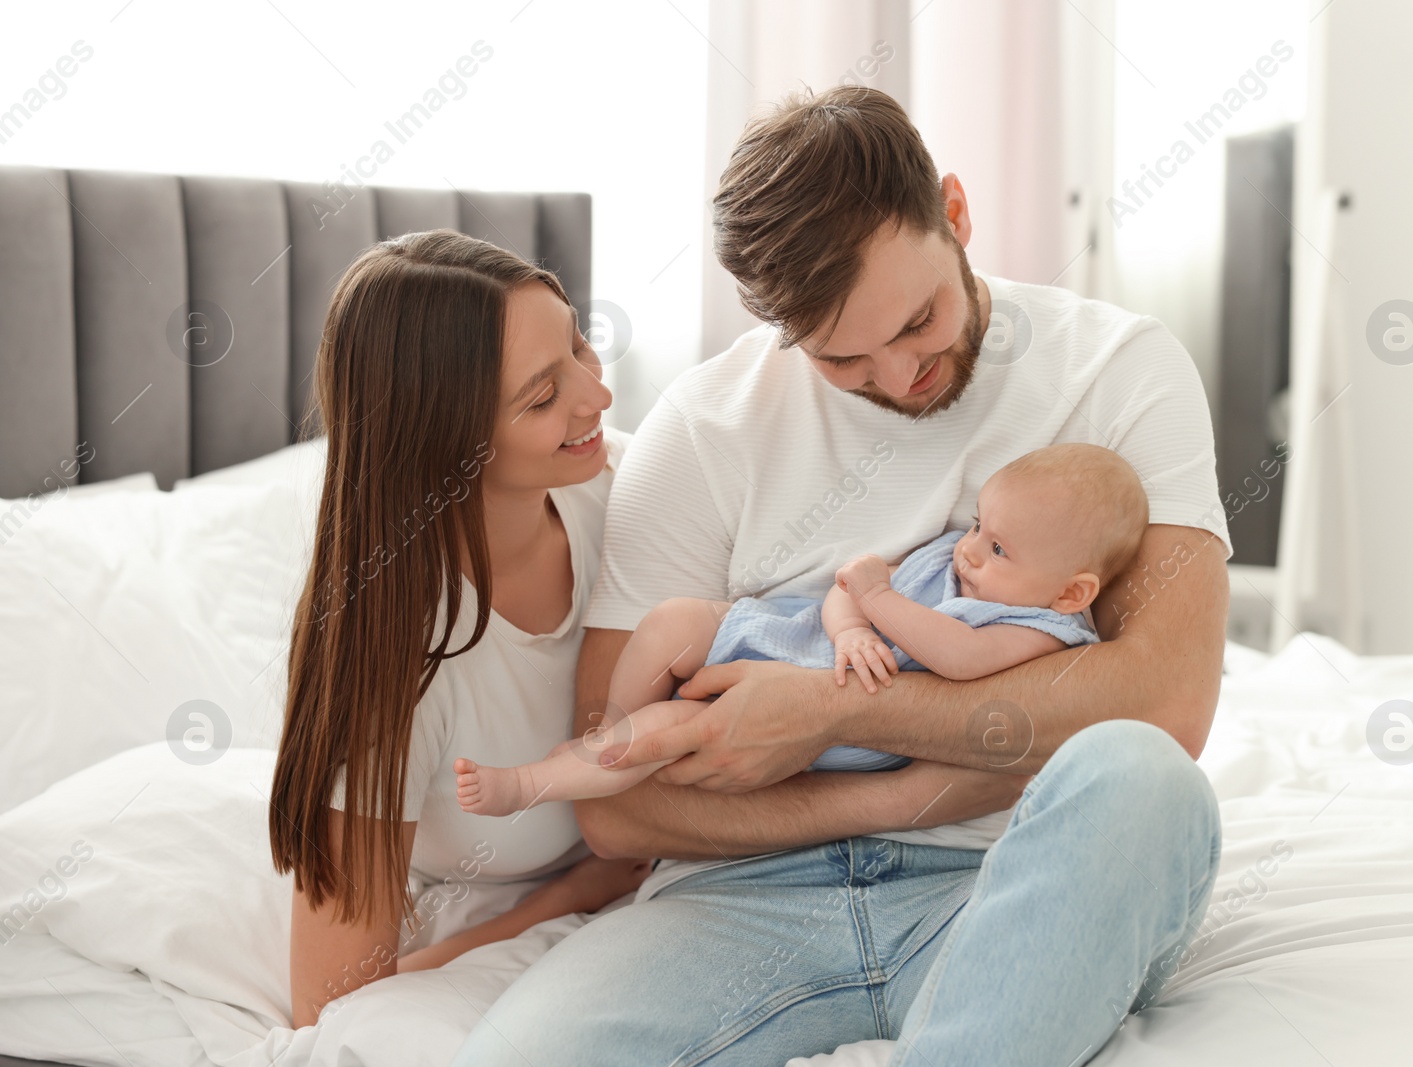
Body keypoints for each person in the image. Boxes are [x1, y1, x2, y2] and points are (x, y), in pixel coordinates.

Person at [455, 86, 1230, 1066]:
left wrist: (831, 712)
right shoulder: (700, 430)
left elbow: (1164, 701)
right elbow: (614, 805)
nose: (902, 373)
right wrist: (880, 800)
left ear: (954, 214)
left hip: (1008, 872)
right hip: (735, 896)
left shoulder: (1118, 370)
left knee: (1143, 777)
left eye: (919, 322)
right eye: (844, 360)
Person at [266, 230, 650, 1028]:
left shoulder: (621, 487)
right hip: (537, 895)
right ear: (448, 444)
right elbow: (330, 1005)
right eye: (543, 397)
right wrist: (571, 894)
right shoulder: (397, 667)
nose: (596, 399)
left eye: (580, 345)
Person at [453, 442, 1144, 813]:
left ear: (1071, 591)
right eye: (978, 525)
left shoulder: (1036, 626)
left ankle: (530, 783)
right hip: (794, 635)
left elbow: (958, 656)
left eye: (998, 549)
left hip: (814, 714)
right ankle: (607, 726)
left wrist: (877, 601)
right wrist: (850, 625)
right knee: (670, 624)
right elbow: (848, 587)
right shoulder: (954, 556)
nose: (970, 548)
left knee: (656, 737)